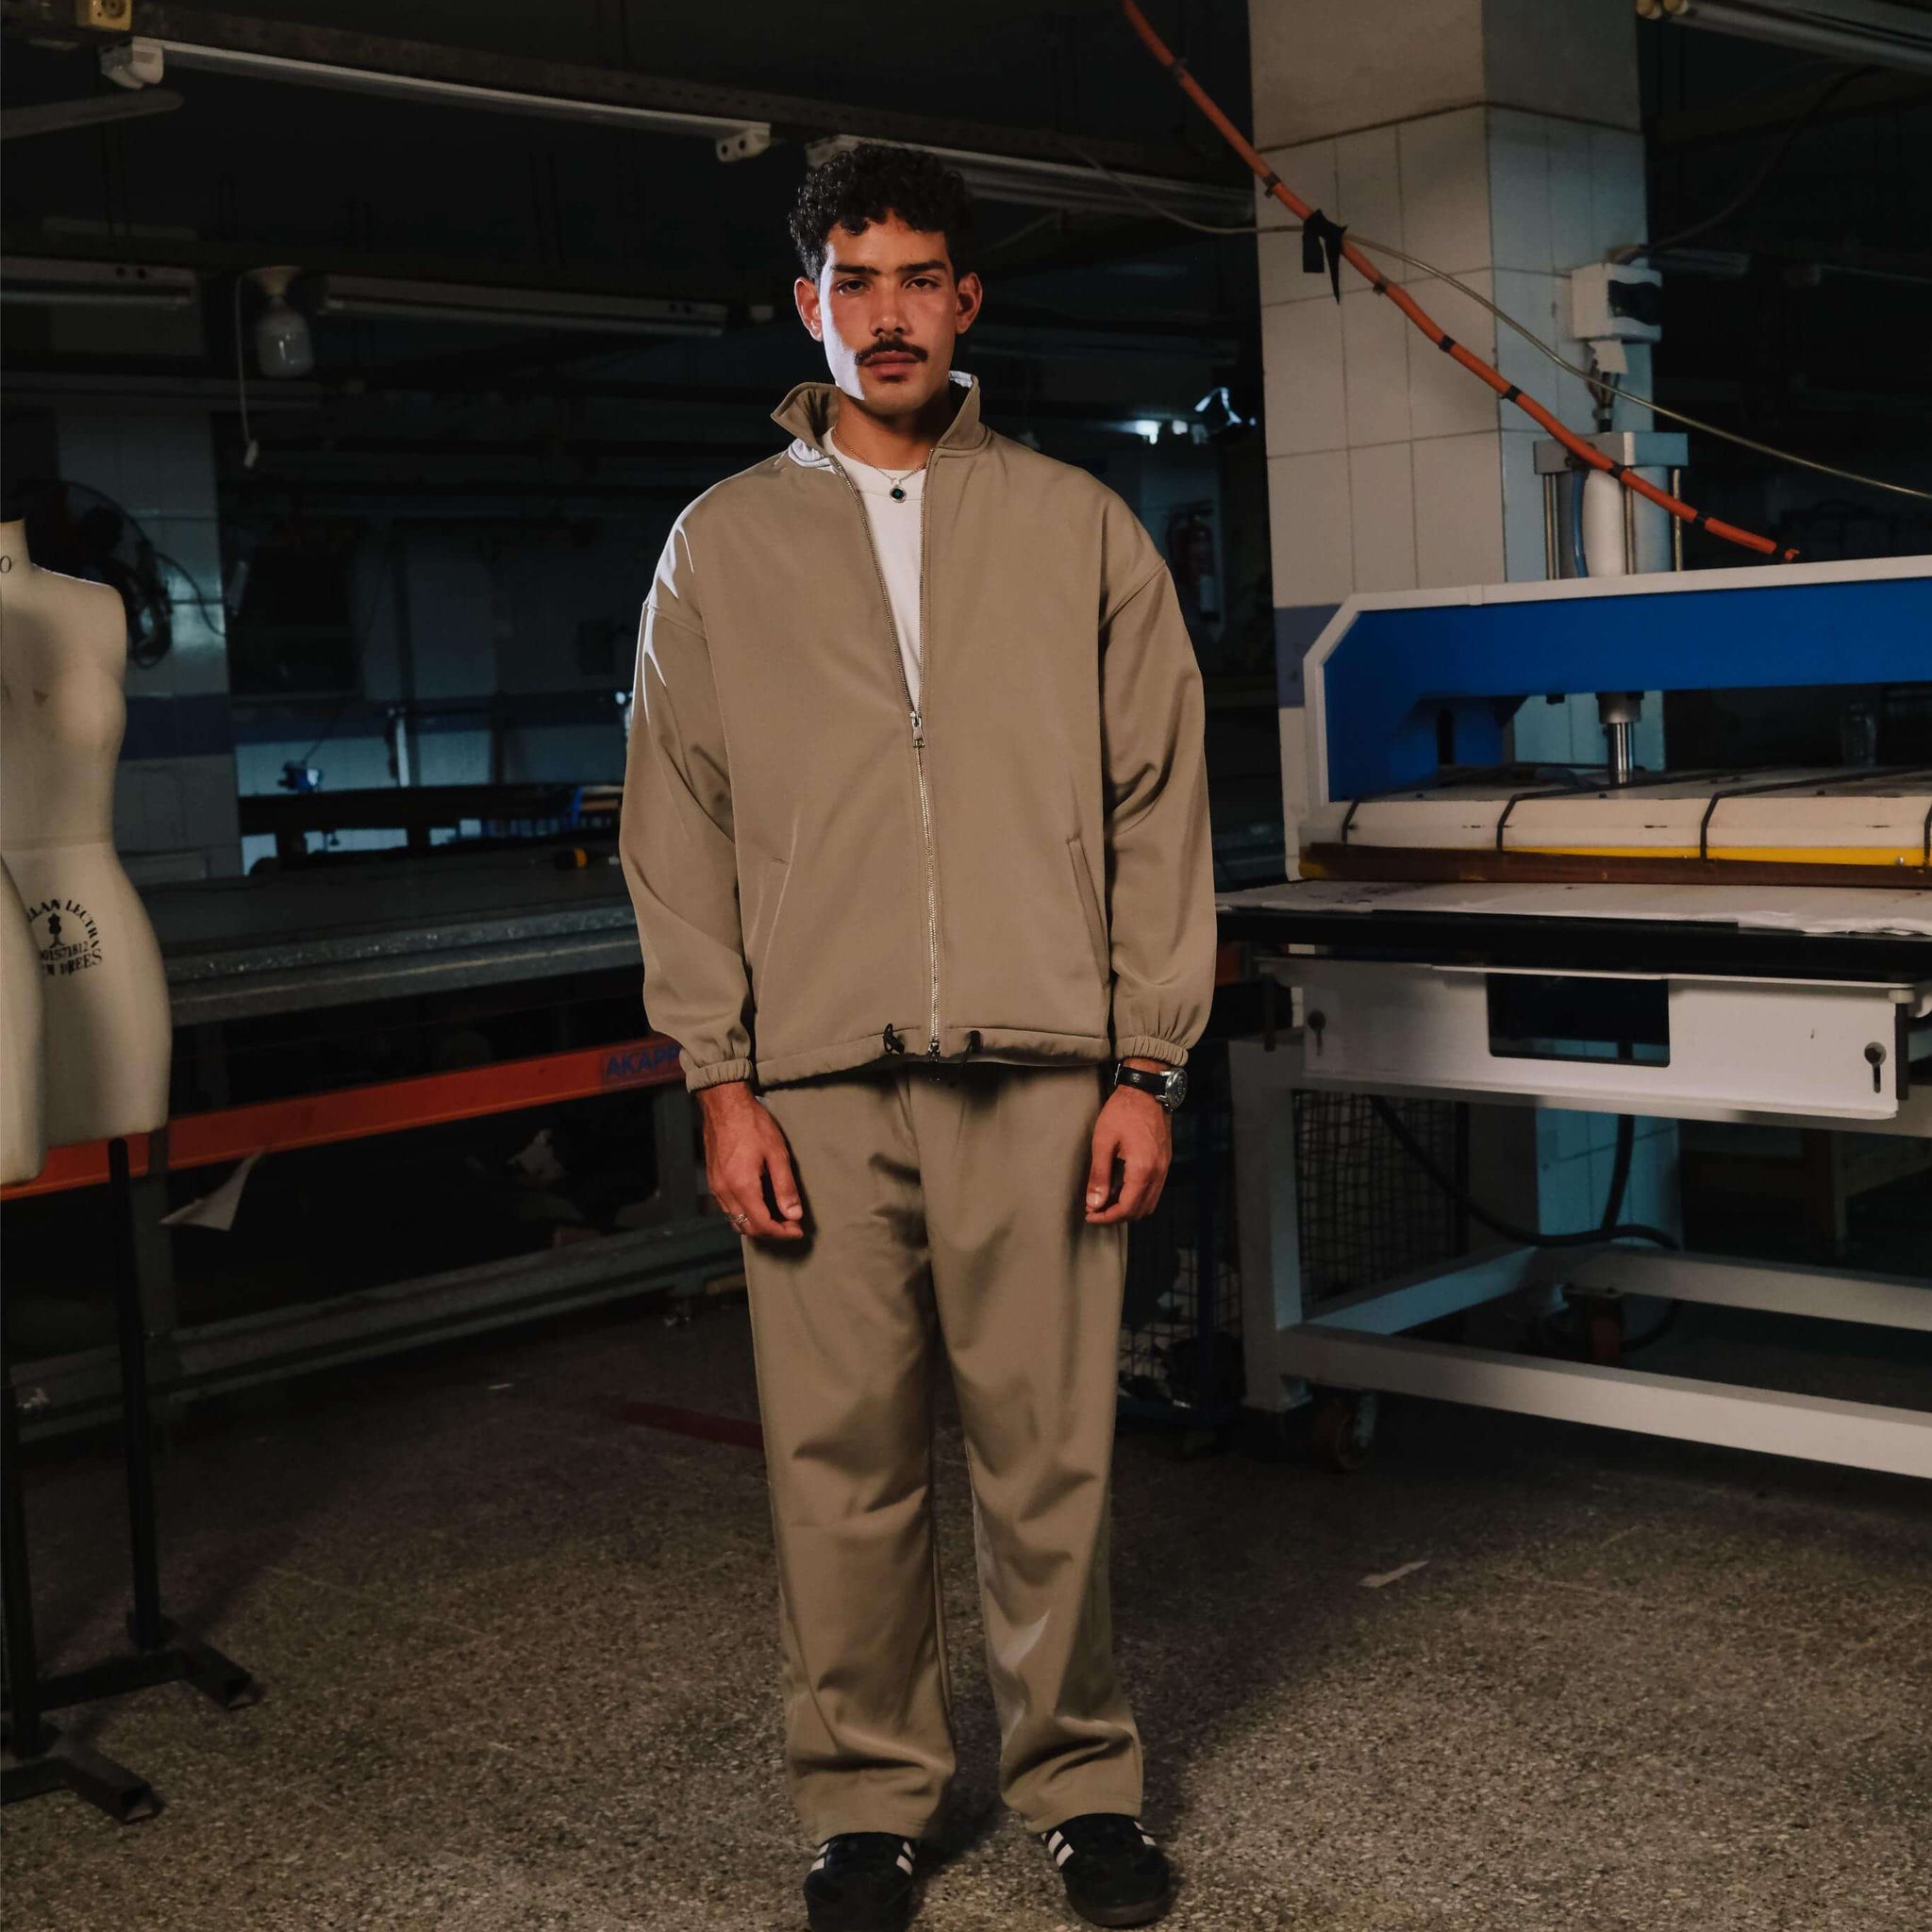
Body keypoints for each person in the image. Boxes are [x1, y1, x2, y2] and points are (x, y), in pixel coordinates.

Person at [619, 142, 1216, 1932]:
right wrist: (717, 1083)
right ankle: (864, 1804)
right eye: (852, 280)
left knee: (1053, 1461)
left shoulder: (1078, 525)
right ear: (810, 302)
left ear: (968, 303)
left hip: (1044, 1070)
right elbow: (678, 827)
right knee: (839, 1468)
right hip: (809, 1079)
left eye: (918, 278)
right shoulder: (720, 545)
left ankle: (1082, 1787)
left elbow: (1156, 805)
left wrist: (1148, 1062)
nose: (887, 313)